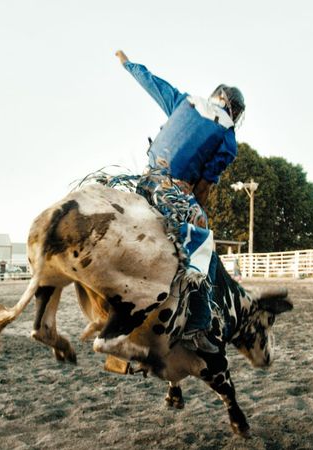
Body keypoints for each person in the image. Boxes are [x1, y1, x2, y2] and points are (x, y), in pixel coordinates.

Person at [116, 50, 244, 353]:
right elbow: (203, 187)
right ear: (235, 111)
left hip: (144, 183)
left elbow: (152, 83)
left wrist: (127, 63)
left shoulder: (183, 101)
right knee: (203, 244)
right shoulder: (227, 137)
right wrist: (198, 211)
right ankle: (198, 325)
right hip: (172, 193)